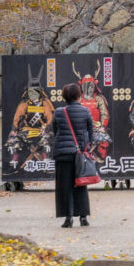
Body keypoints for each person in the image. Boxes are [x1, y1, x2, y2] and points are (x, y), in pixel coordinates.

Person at [52, 82, 95, 229]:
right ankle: (83, 217)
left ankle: (68, 218)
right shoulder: (85, 111)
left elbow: (54, 130)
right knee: (81, 184)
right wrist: (86, 147)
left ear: (64, 96)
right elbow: (91, 132)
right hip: (79, 154)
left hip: (63, 154)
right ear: (78, 95)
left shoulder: (58, 112)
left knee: (64, 186)